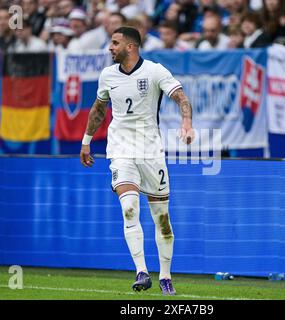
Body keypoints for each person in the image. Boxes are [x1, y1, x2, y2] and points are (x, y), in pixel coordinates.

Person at [79, 26, 194, 295]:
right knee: (129, 208)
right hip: (120, 150)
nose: (110, 47)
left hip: (151, 151)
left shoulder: (154, 71)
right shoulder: (107, 75)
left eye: (115, 43)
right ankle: (141, 271)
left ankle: (165, 276)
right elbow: (98, 109)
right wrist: (86, 140)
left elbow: (180, 96)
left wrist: (186, 121)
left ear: (130, 47)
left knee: (162, 219)